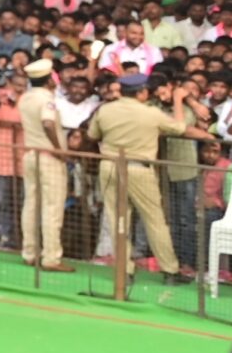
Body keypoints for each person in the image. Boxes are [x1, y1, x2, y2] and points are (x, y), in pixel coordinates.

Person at [85, 74, 212, 281]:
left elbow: (92, 135)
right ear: (142, 92)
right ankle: (170, 270)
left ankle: (124, 271)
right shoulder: (151, 113)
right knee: (155, 220)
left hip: (109, 165)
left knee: (117, 219)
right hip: (139, 168)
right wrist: (179, 101)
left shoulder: (105, 109)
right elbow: (179, 127)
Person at [14, 60, 71, 272]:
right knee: (52, 207)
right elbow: (48, 123)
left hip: (30, 153)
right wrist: (58, 149)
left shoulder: (25, 98)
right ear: (49, 79)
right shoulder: (47, 99)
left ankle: (29, 252)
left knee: (31, 204)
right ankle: (51, 257)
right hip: (48, 156)